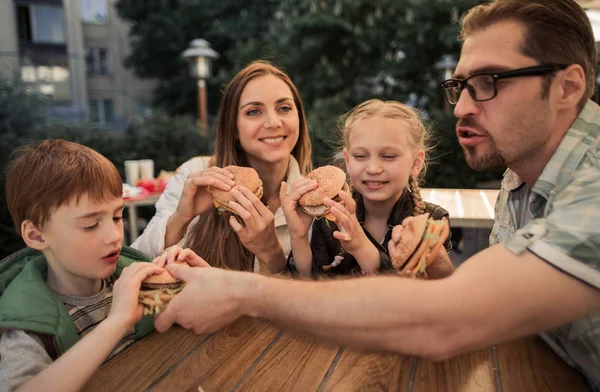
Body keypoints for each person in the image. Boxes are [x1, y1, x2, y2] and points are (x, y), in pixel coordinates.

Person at [153, 0, 600, 389]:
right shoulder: (519, 180)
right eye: (459, 87)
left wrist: (240, 291)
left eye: (489, 82)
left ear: (568, 87)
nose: (462, 106)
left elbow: (449, 319)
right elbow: (500, 310)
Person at [0, 140, 164, 392]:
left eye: (117, 217)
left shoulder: (130, 277)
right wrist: (117, 321)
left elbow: (176, 320)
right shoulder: (28, 327)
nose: (114, 235)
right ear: (37, 235)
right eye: (90, 225)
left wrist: (183, 279)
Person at [132, 60, 312, 274]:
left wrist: (271, 254)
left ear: (299, 118)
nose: (273, 122)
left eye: (284, 108)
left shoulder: (311, 201)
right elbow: (135, 261)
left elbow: (307, 300)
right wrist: (181, 218)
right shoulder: (196, 174)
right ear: (233, 127)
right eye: (253, 111)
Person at [281, 100, 452, 277]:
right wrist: (298, 237)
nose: (372, 168)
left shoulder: (431, 222)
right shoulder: (328, 218)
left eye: (388, 156)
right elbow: (308, 287)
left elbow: (426, 295)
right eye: (360, 156)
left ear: (416, 163)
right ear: (347, 160)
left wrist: (361, 247)